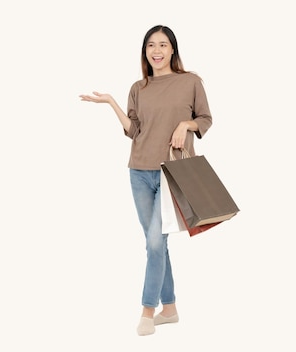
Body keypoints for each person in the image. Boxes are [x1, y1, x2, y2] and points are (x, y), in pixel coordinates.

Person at [79, 25, 213, 336]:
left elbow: (206, 118)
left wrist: (186, 124)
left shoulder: (190, 82)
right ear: (145, 51)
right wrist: (112, 103)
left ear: (173, 50)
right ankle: (170, 309)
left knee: (155, 241)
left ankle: (146, 311)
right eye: (151, 45)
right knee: (157, 244)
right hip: (138, 171)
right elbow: (134, 130)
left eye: (163, 45)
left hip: (172, 173)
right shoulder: (139, 88)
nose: (157, 50)